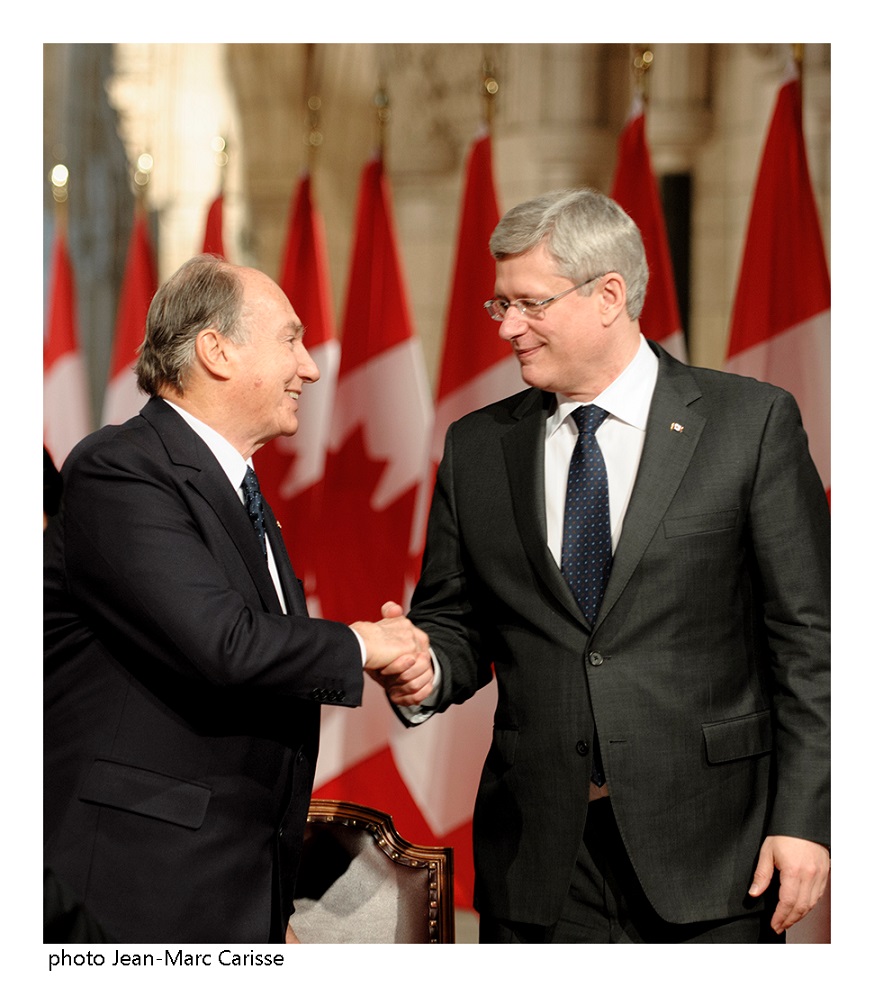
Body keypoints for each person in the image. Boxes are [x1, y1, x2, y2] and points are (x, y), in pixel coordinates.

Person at [396, 188, 830, 943]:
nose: (510, 327)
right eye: (500, 305)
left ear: (609, 295)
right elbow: (456, 623)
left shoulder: (750, 424)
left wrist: (806, 820)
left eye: (530, 303)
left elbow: (811, 642)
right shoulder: (477, 447)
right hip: (539, 862)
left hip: (717, 855)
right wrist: (424, 664)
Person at [43, 254, 433, 944]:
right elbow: (223, 643)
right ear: (215, 350)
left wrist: (264, 904)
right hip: (139, 893)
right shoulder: (120, 469)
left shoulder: (238, 492)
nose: (309, 367)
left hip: (229, 886)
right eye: (290, 339)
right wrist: (365, 642)